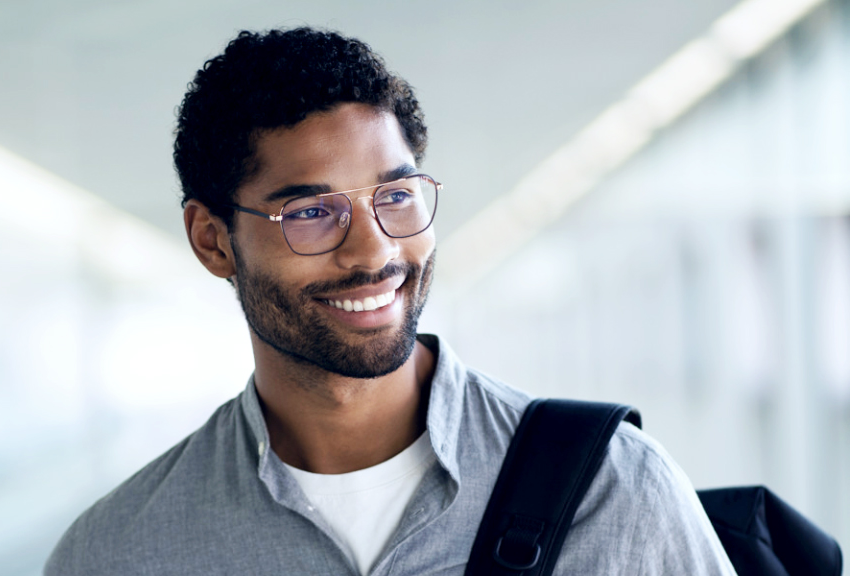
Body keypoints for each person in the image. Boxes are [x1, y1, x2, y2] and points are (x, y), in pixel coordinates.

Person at [45, 27, 735, 575]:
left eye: (396, 197)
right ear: (213, 241)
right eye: (313, 211)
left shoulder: (617, 491)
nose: (373, 252)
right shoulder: (115, 553)